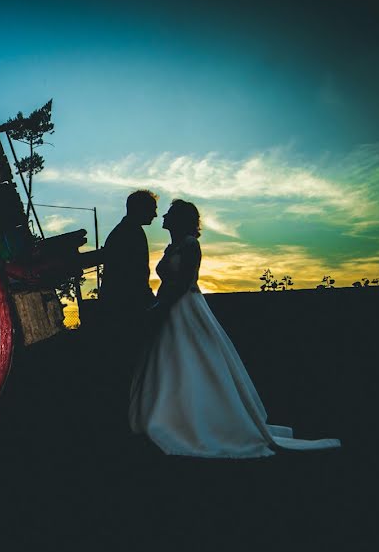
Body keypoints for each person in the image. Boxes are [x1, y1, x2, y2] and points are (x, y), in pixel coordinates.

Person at [128, 199, 341, 457]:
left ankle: (195, 421)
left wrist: (161, 307)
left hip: (181, 307)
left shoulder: (190, 245)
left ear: (180, 219)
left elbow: (184, 283)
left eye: (170, 213)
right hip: (168, 306)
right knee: (168, 363)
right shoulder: (173, 246)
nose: (163, 216)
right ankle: (168, 414)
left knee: (192, 361)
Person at [99, 190, 158, 383]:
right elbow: (135, 276)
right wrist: (148, 301)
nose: (155, 215)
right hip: (126, 308)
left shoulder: (123, 230)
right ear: (140, 209)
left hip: (119, 305)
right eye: (152, 209)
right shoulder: (131, 233)